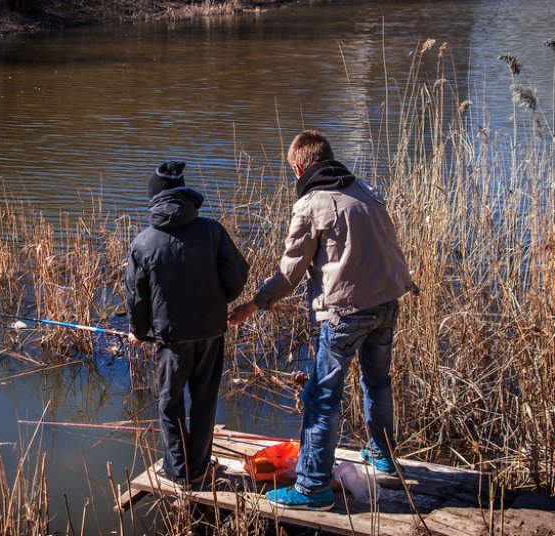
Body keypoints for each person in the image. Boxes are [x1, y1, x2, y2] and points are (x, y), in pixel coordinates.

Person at [228, 130, 416, 510]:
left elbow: (289, 276)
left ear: (299, 169)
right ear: (328, 158)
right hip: (388, 302)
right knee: (377, 381)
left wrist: (253, 304)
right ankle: (383, 457)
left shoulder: (311, 204)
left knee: (321, 396)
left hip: (346, 312)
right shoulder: (365, 190)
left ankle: (313, 488)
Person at [125, 161, 250, 490]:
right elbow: (237, 278)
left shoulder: (142, 243)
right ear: (184, 194)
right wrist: (219, 300)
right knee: (205, 400)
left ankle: (179, 473)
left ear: (154, 199)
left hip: (171, 339)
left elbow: (136, 297)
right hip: (211, 331)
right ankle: (198, 468)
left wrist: (139, 332)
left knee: (170, 403)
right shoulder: (212, 231)